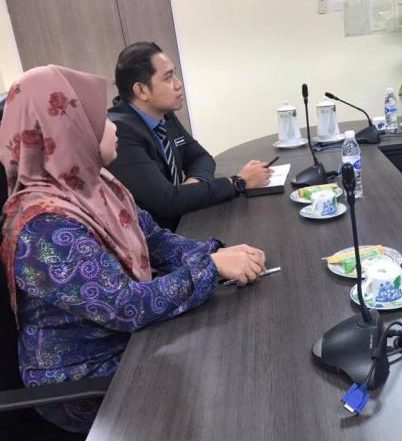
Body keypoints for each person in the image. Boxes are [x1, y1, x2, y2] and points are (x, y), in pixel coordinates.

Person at [0, 65, 267, 433]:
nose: (113, 126)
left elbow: (155, 240)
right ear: (66, 129)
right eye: (99, 119)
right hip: (87, 378)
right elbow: (125, 306)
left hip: (128, 342)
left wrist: (214, 254)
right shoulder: (43, 226)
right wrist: (212, 268)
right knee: (227, 378)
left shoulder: (96, 184)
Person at [107, 41, 272, 231]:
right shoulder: (121, 132)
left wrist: (192, 187)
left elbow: (201, 157)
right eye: (168, 77)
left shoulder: (164, 115)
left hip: (183, 220)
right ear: (141, 90)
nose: (178, 85)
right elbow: (168, 201)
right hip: (157, 239)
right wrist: (238, 182)